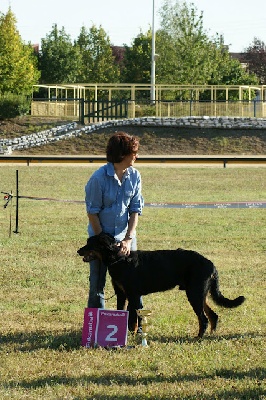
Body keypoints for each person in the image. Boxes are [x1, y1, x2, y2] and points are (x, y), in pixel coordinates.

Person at [84, 131, 144, 323]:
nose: (136, 156)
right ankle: (97, 325)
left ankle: (137, 323)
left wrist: (128, 238)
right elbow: (92, 212)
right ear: (122, 154)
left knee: (134, 282)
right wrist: (104, 242)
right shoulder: (98, 179)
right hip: (101, 238)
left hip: (125, 239)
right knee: (97, 284)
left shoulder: (135, 176)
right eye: (133, 152)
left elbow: (135, 210)